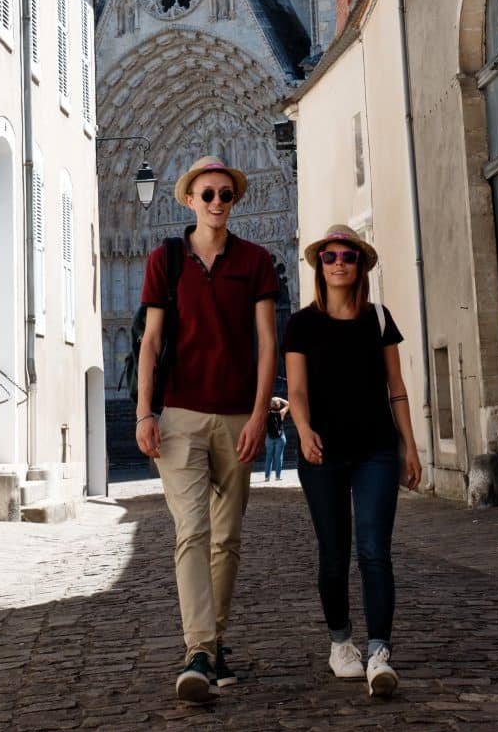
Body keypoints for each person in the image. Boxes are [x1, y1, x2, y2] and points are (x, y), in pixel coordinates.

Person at [135, 155, 280, 704]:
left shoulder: (257, 260)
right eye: (208, 194)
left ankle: (212, 645)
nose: (217, 202)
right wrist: (145, 412)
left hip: (239, 415)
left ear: (234, 202)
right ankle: (198, 648)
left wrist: (261, 413)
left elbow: (268, 341)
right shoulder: (164, 260)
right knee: (191, 532)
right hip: (180, 417)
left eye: (226, 195)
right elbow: (151, 342)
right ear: (189, 200)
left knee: (228, 539)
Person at [284, 223, 422, 700]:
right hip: (321, 451)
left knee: (374, 551)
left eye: (348, 256)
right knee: (334, 555)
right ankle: (341, 643)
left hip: (377, 450)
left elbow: (397, 389)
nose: (339, 262)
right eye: (330, 256)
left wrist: (411, 446)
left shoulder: (379, 320)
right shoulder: (301, 324)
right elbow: (296, 390)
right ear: (319, 265)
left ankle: (379, 650)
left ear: (360, 266)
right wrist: (303, 431)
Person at [263, 395, 289, 481]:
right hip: (280, 437)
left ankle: (267, 477)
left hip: (269, 437)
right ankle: (277, 476)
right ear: (278, 405)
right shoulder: (281, 413)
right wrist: (280, 398)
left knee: (268, 457)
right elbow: (289, 404)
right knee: (278, 457)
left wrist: (269, 401)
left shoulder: (266, 413)